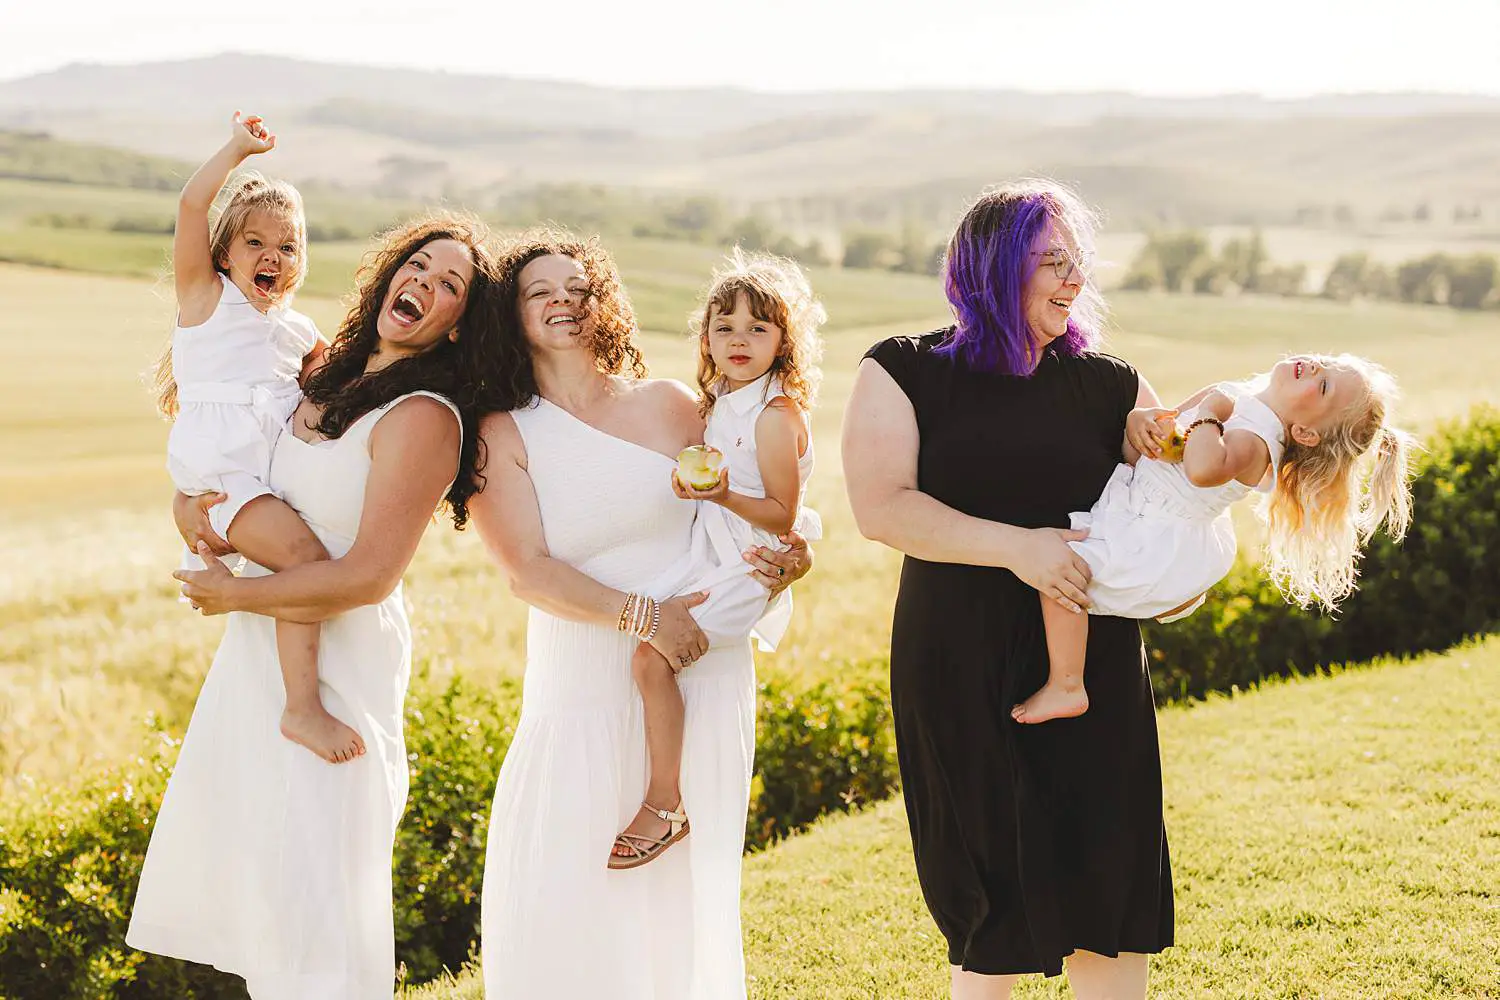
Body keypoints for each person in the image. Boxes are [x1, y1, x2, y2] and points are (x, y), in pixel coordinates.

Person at [127, 213, 504, 999]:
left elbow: (369, 576)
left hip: (341, 668)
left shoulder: (424, 416)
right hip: (262, 660)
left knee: (320, 909)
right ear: (390, 274)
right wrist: (188, 504)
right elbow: (240, 464)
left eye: (450, 285)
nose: (425, 286)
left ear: (461, 322)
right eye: (419, 266)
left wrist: (236, 594)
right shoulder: (322, 374)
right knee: (268, 901)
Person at [843, 180, 1172, 998]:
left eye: (1079, 263)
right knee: (987, 899)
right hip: (960, 661)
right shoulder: (902, 370)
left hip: (1093, 669)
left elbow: (1172, 515)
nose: (1073, 280)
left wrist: (1173, 575)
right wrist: (1017, 550)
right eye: (1052, 261)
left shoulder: (1112, 385)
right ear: (992, 266)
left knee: (1110, 886)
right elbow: (882, 508)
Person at [471, 231, 811, 999]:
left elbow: (744, 508)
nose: (562, 299)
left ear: (603, 301)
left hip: (703, 676)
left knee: (683, 903)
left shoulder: (670, 405)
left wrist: (793, 562)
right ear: (510, 313)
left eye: (576, 285)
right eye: (539, 290)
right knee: (572, 886)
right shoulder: (502, 431)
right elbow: (529, 573)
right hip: (584, 686)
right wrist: (644, 619)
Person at [1013, 355, 1415, 724]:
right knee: (1060, 561)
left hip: (1154, 529)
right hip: (1136, 497)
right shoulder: (1237, 396)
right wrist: (1142, 423)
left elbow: (1203, 469)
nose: (1314, 367)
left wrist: (1209, 415)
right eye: (1325, 362)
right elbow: (1171, 433)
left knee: (1062, 572)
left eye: (1324, 384)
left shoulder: (1260, 443)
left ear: (1306, 433)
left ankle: (1067, 684)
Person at [148, 111, 361, 763]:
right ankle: (301, 708)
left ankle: (295, 697)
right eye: (255, 244)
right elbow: (191, 203)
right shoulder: (207, 302)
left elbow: (348, 379)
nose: (272, 257)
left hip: (265, 485)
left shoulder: (299, 331)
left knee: (307, 562)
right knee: (307, 567)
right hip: (224, 485)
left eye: (288, 246)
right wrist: (238, 149)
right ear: (224, 253)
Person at [610, 249, 826, 870]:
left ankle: (664, 803)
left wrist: (722, 493)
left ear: (784, 341)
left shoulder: (775, 413)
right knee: (649, 636)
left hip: (750, 565)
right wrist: (692, 486)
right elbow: (715, 476)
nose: (739, 340)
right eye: (724, 327)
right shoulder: (724, 399)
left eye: (758, 328)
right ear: (705, 336)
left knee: (652, 661)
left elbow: (782, 512)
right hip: (716, 549)